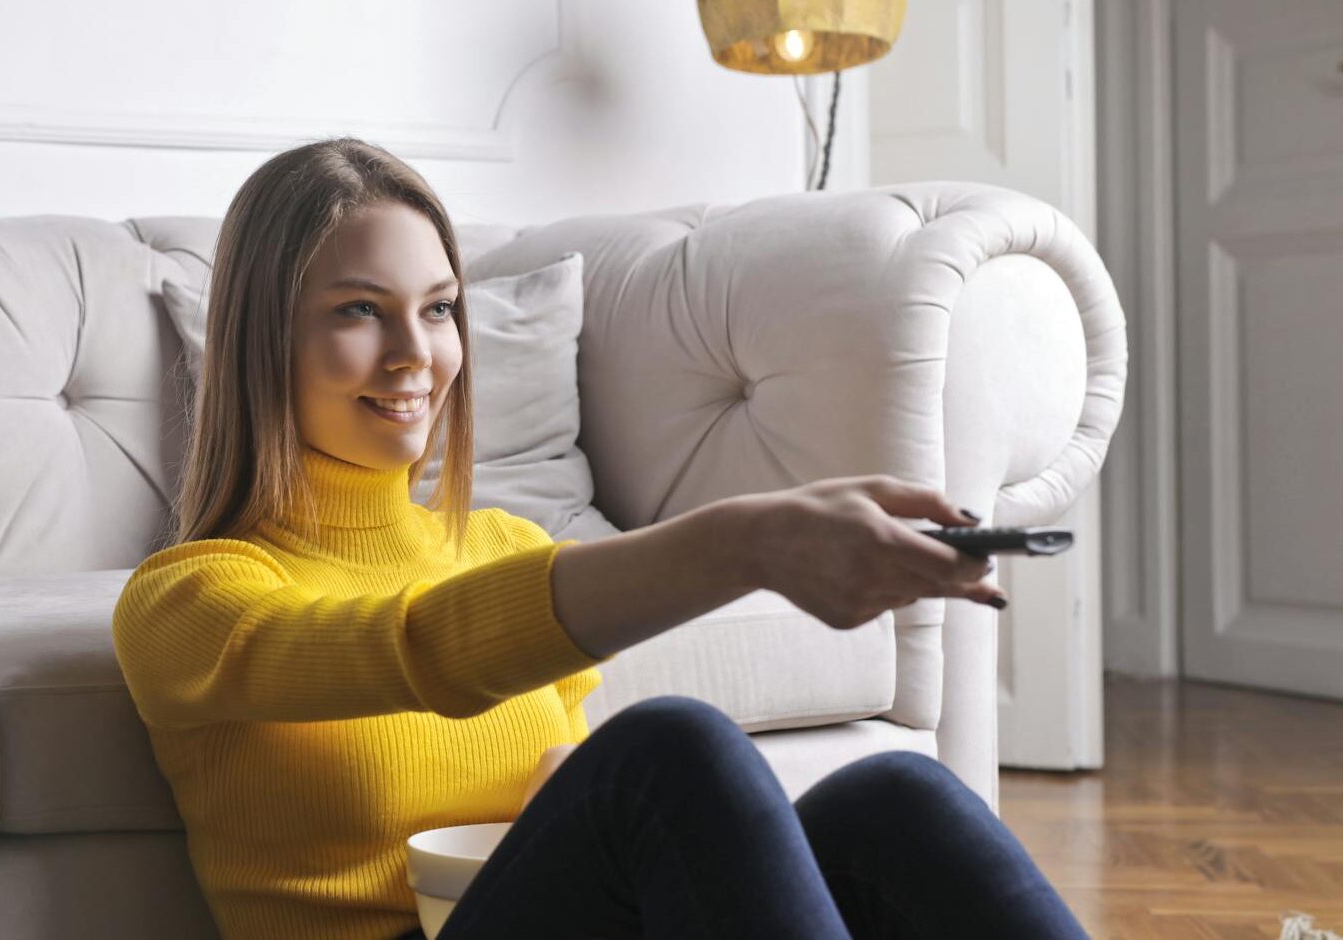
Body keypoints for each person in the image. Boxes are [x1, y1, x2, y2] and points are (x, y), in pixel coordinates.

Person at [111, 136, 1088, 940]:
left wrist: (561, 787)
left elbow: (562, 795)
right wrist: (742, 541)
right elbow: (420, 648)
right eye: (359, 311)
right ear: (262, 337)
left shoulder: (498, 545)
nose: (415, 354)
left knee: (894, 801)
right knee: (667, 745)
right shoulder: (187, 603)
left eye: (440, 309)